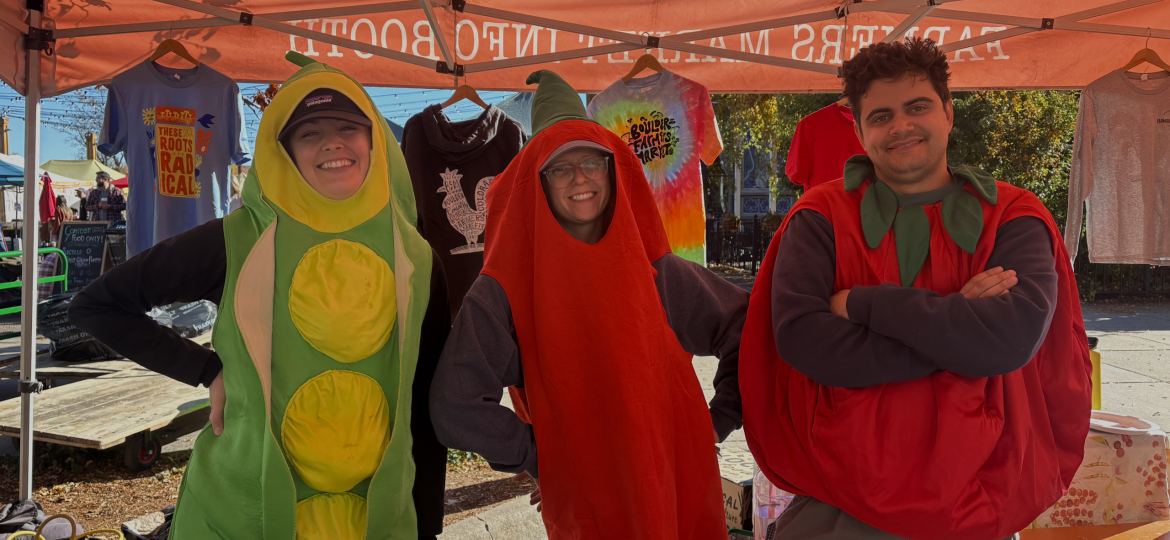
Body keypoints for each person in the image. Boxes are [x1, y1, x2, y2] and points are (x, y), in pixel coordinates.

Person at [69, 53, 451, 540]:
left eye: (348, 127)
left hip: (375, 518)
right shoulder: (238, 239)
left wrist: (426, 522)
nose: (332, 142)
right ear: (284, 152)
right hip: (244, 512)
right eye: (309, 133)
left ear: (375, 143)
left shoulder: (415, 256)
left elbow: (426, 398)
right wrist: (206, 369)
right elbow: (97, 306)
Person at [739, 38, 1092, 540]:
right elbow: (803, 339)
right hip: (843, 497)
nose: (900, 126)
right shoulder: (819, 216)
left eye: (917, 106)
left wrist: (864, 303)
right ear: (859, 131)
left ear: (948, 112)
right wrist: (959, 332)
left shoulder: (1015, 215)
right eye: (880, 116)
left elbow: (1010, 338)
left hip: (982, 491)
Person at [430, 70, 747, 540]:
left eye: (592, 162)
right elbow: (454, 404)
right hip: (589, 503)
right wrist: (539, 454)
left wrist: (714, 422)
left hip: (676, 479)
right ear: (538, 181)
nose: (579, 176)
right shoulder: (507, 290)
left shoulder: (656, 272)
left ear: (612, 169)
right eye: (560, 167)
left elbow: (745, 328)